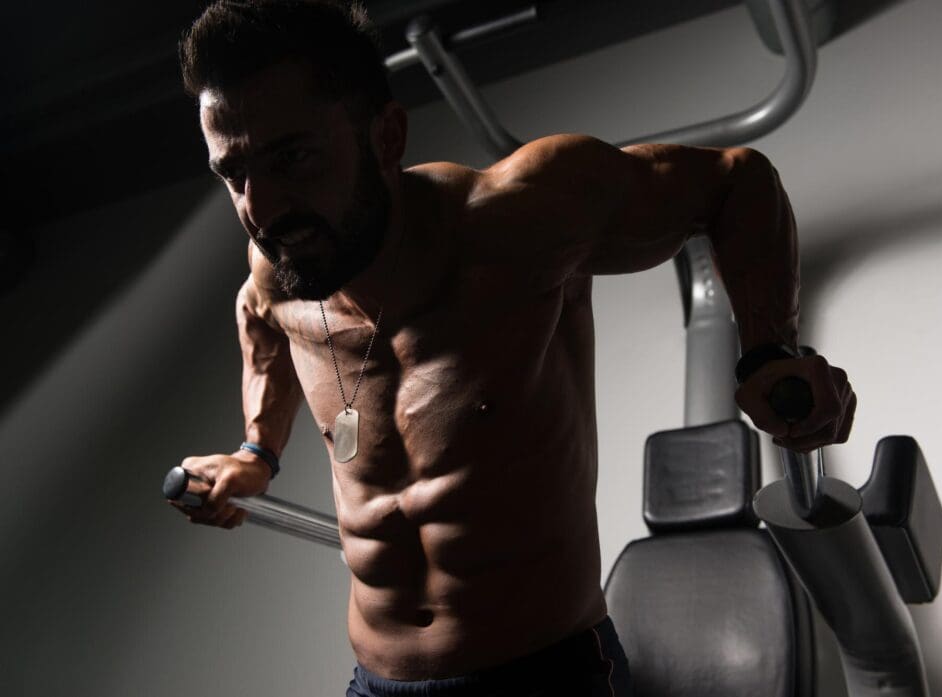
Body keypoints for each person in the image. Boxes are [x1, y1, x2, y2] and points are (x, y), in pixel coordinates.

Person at [171, 1, 857, 695]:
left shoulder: (521, 218)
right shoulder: (281, 274)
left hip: (545, 673)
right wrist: (257, 452)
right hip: (378, 682)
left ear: (385, 136)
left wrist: (769, 351)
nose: (260, 207)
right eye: (235, 174)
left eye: (293, 158)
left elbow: (736, 181)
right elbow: (258, 318)